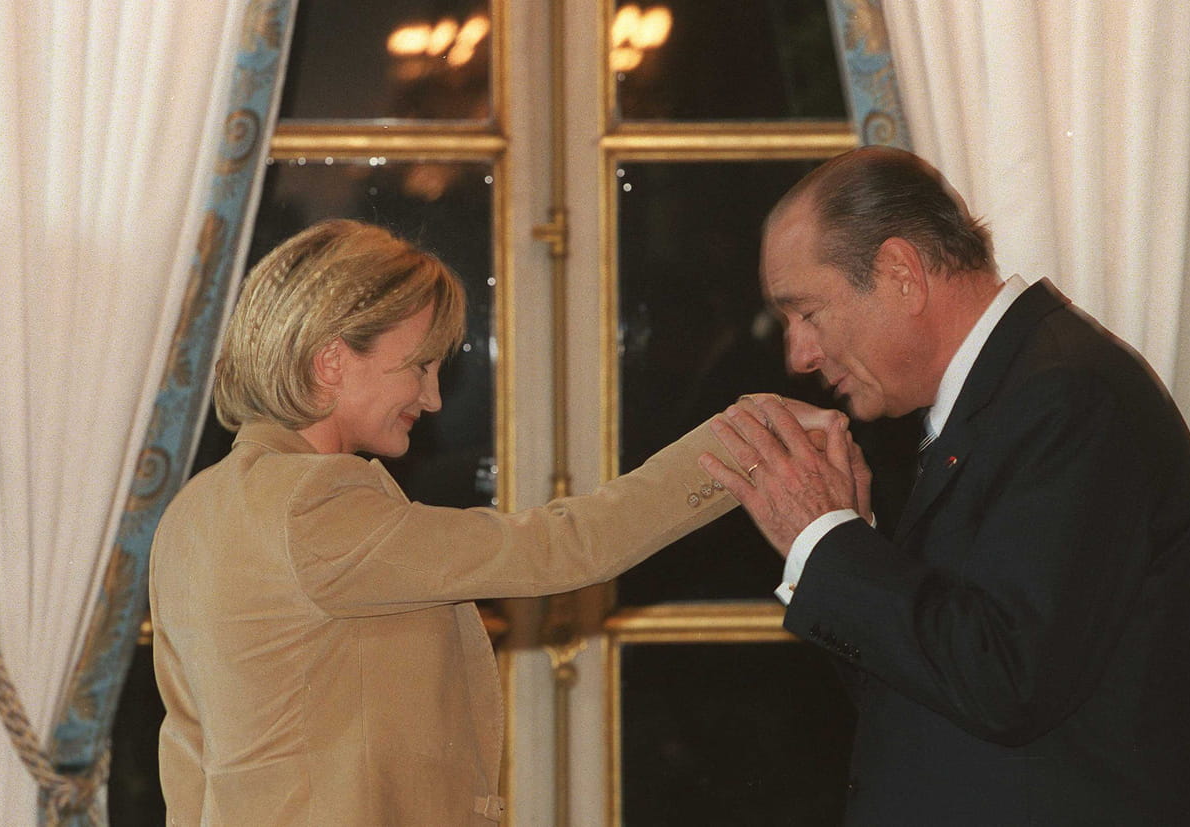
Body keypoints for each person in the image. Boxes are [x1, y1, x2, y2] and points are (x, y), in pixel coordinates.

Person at [148, 218, 839, 825]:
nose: (433, 397)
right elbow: (559, 548)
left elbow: (186, 760)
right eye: (419, 366)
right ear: (331, 360)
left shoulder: (192, 513)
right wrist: (742, 441)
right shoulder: (315, 503)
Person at [701, 146, 1190, 825]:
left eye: (808, 313)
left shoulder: (1067, 398)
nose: (798, 355)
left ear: (900, 273)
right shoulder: (1003, 396)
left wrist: (824, 539)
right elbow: (926, 695)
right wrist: (853, 544)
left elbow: (1007, 682)